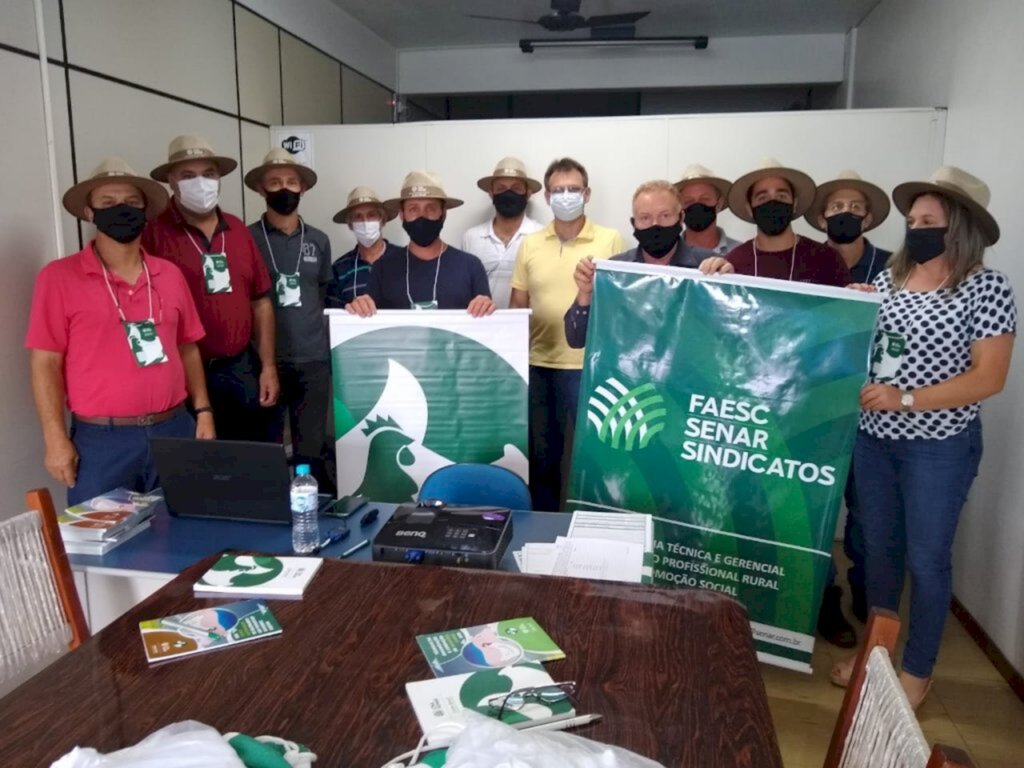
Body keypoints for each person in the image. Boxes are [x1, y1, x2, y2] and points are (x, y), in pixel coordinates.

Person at [832, 166, 1016, 711]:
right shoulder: (891, 278)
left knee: (928, 560)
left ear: (958, 226)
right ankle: (876, 654)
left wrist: (906, 399)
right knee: (877, 551)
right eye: (913, 220)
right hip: (874, 439)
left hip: (938, 444)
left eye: (929, 221)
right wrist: (856, 305)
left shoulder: (986, 287)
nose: (916, 229)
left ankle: (917, 669)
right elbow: (875, 345)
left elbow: (989, 377)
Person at [26, 158, 213, 504]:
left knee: (185, 539)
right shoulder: (58, 278)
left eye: (130, 203)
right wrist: (54, 438)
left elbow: (187, 347)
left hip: (174, 430)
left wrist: (203, 412)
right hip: (101, 441)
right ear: (89, 212)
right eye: (108, 203)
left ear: (145, 210)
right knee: (100, 548)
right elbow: (45, 363)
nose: (121, 210)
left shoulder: (169, 275)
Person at [143, 134, 279, 441]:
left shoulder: (238, 230)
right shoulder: (153, 235)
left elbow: (261, 302)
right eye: (188, 176)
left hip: (241, 365)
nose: (200, 183)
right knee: (201, 468)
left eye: (209, 174)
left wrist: (268, 365)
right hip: (185, 373)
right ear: (171, 182)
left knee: (250, 457)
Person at [806, 170, 893, 647]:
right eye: (835, 207)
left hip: (873, 409)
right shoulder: (808, 260)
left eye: (854, 207)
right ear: (821, 215)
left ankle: (869, 597)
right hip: (814, 407)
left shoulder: (893, 268)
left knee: (866, 515)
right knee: (815, 511)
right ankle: (825, 599)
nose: (845, 214)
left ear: (869, 215)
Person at [509, 157, 626, 511]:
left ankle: (593, 532)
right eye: (558, 190)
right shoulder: (530, 244)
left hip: (590, 368)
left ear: (587, 193)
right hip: (539, 366)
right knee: (543, 461)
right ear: (546, 197)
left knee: (597, 460)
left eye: (573, 189)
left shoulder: (610, 239)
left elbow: (623, 305)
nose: (565, 196)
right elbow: (518, 305)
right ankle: (543, 530)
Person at [245, 149, 333, 490]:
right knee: (265, 446)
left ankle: (310, 508)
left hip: (312, 359)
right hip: (263, 361)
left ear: (303, 189)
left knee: (309, 447)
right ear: (262, 189)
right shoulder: (247, 239)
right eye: (275, 182)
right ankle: (268, 510)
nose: (285, 188)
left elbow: (324, 295)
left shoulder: (319, 240)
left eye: (291, 182)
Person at [346, 171, 495, 317]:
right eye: (413, 209)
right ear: (402, 215)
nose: (422, 216)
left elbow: (485, 328)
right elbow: (367, 328)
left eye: (430, 208)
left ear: (443, 213)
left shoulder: (470, 266)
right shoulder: (383, 268)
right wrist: (360, 307)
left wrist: (486, 307)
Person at [564, 179, 690, 349]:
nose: (655, 224)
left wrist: (727, 282)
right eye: (645, 218)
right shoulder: (615, 272)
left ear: (681, 217)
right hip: (626, 374)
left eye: (665, 216)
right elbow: (577, 339)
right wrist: (585, 293)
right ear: (634, 224)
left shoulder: (705, 268)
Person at [699, 157, 851, 286]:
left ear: (794, 204)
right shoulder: (732, 263)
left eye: (781, 196)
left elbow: (848, 314)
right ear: (750, 208)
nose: (773, 203)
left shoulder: (827, 259)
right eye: (762, 198)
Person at [461, 157, 544, 307]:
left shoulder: (541, 235)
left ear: (528, 193)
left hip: (529, 328)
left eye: (516, 188)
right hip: (482, 326)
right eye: (501, 188)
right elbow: (465, 288)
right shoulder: (472, 238)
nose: (508, 194)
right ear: (491, 193)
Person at [326, 187, 403, 309]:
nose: (365, 222)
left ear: (382, 220)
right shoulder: (339, 269)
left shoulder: (404, 259)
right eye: (358, 216)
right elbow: (334, 316)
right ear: (350, 224)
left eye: (371, 215)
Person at [673, 164, 740, 263]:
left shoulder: (740, 253)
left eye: (705, 199)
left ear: (719, 204)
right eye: (688, 201)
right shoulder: (668, 253)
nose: (697, 205)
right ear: (679, 208)